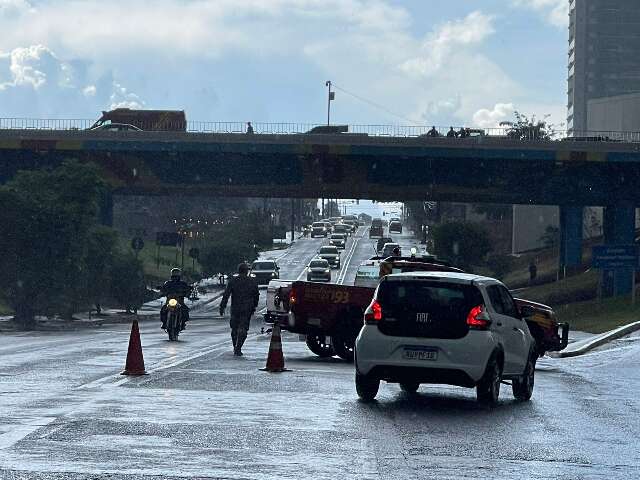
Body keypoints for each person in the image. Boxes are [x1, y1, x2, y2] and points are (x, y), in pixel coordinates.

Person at [219, 263, 260, 356]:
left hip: (235, 308)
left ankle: (235, 346)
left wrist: (222, 306)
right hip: (247, 309)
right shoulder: (252, 281)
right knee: (243, 329)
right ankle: (238, 347)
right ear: (246, 271)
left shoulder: (233, 281)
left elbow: (226, 294)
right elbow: (256, 295)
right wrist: (254, 306)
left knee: (234, 328)